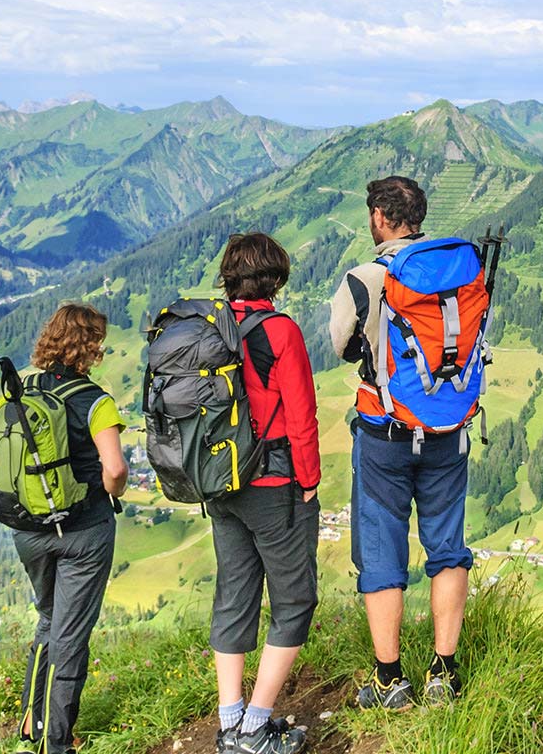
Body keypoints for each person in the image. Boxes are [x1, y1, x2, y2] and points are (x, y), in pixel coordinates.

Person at [0, 303, 127, 754]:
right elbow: (115, 470)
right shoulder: (96, 401)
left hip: (27, 530)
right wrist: (112, 491)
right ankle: (57, 743)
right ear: (90, 348)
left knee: (49, 621)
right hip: (84, 531)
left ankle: (32, 722)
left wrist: (0, 482)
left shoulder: (17, 390)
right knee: (71, 636)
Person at [328, 176, 474, 709]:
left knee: (382, 548)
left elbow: (341, 343)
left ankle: (390, 678)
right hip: (448, 429)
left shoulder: (367, 276)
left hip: (384, 432)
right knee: (448, 547)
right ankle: (445, 672)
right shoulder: (459, 268)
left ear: (380, 218)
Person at [207, 232, 322, 754]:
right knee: (294, 599)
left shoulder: (207, 328)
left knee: (234, 595)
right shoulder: (280, 331)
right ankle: (255, 728)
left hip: (219, 484)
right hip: (272, 482)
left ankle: (229, 725)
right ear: (274, 278)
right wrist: (310, 480)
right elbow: (301, 416)